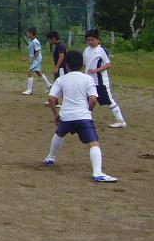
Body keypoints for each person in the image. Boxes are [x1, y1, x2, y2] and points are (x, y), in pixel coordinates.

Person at [43, 50, 117, 182]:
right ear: (82, 65)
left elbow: (51, 98)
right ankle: (97, 173)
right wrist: (89, 111)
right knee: (93, 144)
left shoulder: (61, 79)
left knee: (59, 133)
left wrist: (55, 114)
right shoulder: (88, 79)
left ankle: (50, 157)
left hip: (66, 117)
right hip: (83, 117)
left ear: (66, 65)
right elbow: (93, 99)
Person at [83, 29, 126, 128]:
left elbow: (108, 65)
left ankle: (121, 121)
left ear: (98, 40)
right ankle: (85, 118)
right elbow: (84, 64)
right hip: (88, 81)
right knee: (87, 100)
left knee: (109, 100)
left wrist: (96, 70)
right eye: (88, 40)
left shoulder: (101, 50)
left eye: (92, 39)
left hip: (100, 81)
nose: (90, 42)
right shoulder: (86, 50)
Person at [21, 28, 51, 95]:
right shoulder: (30, 41)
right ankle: (49, 85)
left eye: (28, 33)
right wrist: (27, 57)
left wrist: (32, 60)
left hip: (37, 59)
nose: (27, 34)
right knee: (38, 72)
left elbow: (37, 51)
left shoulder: (35, 41)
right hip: (35, 59)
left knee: (29, 71)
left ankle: (29, 90)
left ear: (31, 33)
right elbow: (31, 51)